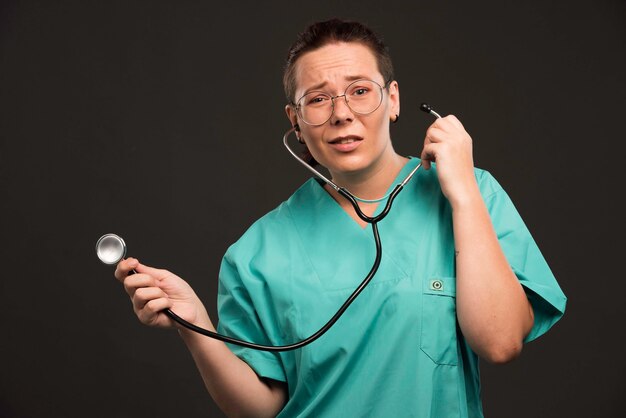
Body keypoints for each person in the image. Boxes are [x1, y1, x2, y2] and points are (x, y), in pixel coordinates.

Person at [114, 19, 566, 417]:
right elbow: (262, 407)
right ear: (296, 123)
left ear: (393, 100)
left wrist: (463, 194)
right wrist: (196, 326)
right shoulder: (255, 254)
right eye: (318, 100)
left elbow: (501, 343)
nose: (342, 113)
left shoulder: (472, 192)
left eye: (360, 91)